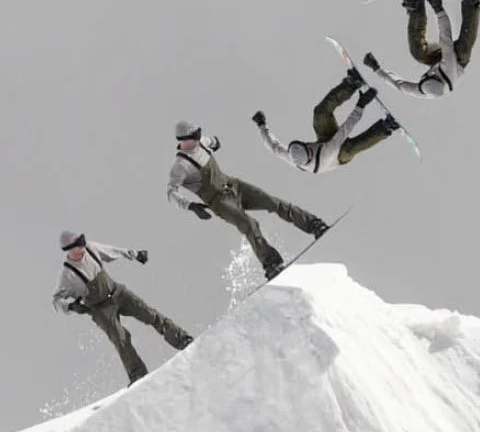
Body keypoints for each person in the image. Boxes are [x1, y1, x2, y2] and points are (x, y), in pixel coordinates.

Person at [166, 121, 325, 278]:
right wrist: (190, 206)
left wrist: (215, 143)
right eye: (195, 136)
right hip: (219, 201)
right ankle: (271, 263)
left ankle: (314, 224)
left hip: (233, 185)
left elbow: (214, 142)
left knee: (272, 202)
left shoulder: (201, 142)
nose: (198, 138)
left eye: (198, 134)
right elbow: (171, 192)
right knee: (249, 224)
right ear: (183, 140)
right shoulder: (181, 166)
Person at [53, 231, 190, 383]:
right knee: (121, 339)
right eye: (78, 245)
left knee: (150, 314)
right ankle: (138, 374)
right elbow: (56, 301)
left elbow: (112, 251)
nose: (82, 247)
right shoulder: (67, 275)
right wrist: (71, 306)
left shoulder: (90, 249)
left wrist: (135, 254)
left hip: (118, 293)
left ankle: (182, 339)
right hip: (100, 310)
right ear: (69, 249)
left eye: (82, 242)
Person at [252, 68, 400, 173]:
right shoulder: (326, 154)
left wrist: (261, 125)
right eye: (309, 150)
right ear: (310, 156)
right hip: (337, 155)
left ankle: (351, 84)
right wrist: (361, 105)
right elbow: (345, 130)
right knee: (350, 148)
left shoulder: (291, 156)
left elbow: (273, 147)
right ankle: (386, 128)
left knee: (320, 113)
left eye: (306, 145)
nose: (309, 147)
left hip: (324, 140)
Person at [365, 0, 480, 98]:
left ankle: (416, 10)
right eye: (435, 76)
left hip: (441, 63)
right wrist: (438, 9)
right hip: (457, 63)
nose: (432, 74)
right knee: (463, 49)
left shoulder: (420, 90)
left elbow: (398, 85)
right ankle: (471, 5)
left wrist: (376, 69)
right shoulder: (448, 70)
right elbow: (446, 39)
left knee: (418, 53)